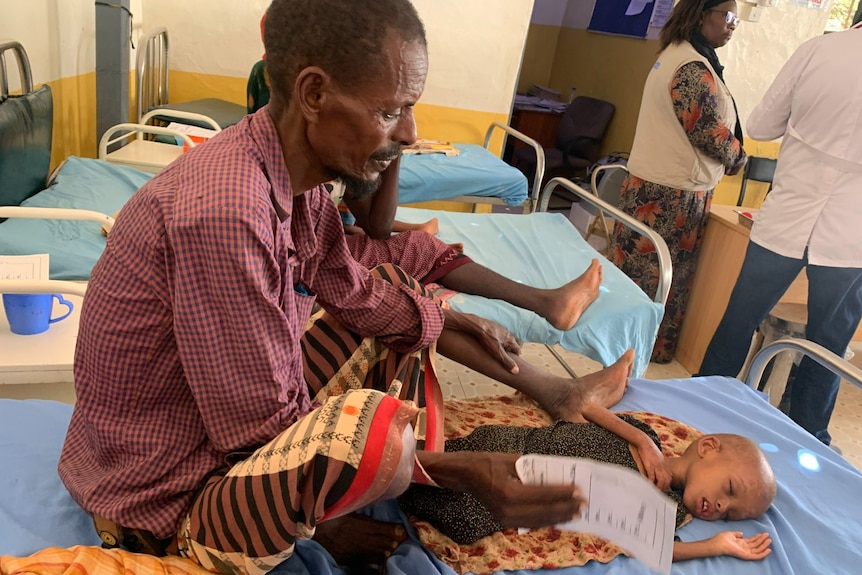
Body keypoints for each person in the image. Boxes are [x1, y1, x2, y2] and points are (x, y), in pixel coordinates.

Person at [57, 1, 635, 574]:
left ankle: (497, 421)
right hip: (162, 498)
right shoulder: (228, 214)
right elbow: (263, 439)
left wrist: (445, 317)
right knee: (365, 424)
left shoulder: (292, 182)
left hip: (209, 433)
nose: (409, 134)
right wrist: (461, 470)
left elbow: (356, 289)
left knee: (394, 299)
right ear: (313, 95)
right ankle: (331, 520)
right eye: (391, 112)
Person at [698, 27, 862, 446]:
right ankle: (808, 441)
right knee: (829, 345)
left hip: (787, 217)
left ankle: (698, 411)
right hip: (850, 235)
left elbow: (759, 125)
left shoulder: (820, 49)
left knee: (739, 320)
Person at [401, 401, 776, 563]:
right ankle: (386, 462)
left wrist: (716, 545)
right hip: (514, 444)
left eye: (729, 515)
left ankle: (385, 481)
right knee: (434, 453)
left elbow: (661, 549)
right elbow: (590, 409)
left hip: (509, 497)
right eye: (729, 490)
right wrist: (641, 441)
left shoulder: (671, 509)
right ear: (708, 447)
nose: (722, 508)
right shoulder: (647, 439)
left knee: (461, 515)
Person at [609, 0, 747, 363]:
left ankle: (620, 348)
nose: (733, 25)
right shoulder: (691, 66)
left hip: (653, 184)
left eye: (736, 18)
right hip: (672, 195)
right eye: (727, 16)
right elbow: (706, 130)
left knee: (639, 275)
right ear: (702, 15)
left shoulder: (676, 55)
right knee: (661, 280)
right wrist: (738, 155)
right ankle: (640, 354)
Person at [334, 156, 604, 332]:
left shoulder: (335, 156)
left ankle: (548, 307)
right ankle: (546, 303)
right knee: (420, 246)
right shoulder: (335, 149)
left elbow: (371, 225)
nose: (411, 132)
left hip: (334, 238)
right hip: (320, 257)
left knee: (415, 244)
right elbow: (378, 228)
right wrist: (395, 156)